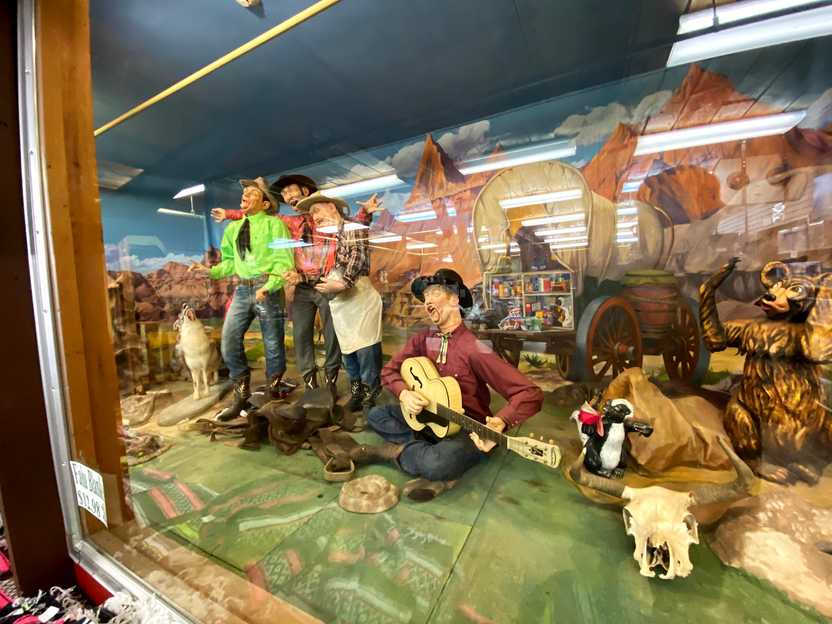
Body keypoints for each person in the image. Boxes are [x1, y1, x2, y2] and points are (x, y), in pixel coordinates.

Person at [356, 269, 544, 501]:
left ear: (454, 299)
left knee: (438, 463)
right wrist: (404, 393)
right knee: (376, 415)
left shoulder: (474, 348)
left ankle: (396, 451)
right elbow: (389, 371)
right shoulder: (423, 338)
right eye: (425, 297)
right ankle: (420, 449)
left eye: (435, 293)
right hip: (427, 417)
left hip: (465, 430)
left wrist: (501, 422)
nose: (428, 302)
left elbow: (530, 393)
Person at [211, 175, 382, 403]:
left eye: (292, 191)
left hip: (328, 284)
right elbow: (259, 215)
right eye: (284, 194)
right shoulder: (289, 223)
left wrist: (367, 213)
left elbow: (350, 227)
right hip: (301, 284)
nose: (288, 196)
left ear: (305, 190)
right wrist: (230, 214)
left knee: (333, 336)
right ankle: (311, 383)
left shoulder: (328, 219)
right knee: (301, 335)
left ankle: (332, 381)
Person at [190, 177, 294, 420]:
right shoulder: (233, 229)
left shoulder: (274, 225)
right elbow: (229, 263)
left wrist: (269, 286)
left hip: (266, 287)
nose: (245, 195)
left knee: (272, 343)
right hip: (243, 290)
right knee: (228, 341)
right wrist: (209, 270)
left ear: (266, 204)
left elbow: (284, 261)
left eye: (252, 193)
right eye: (244, 192)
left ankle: (272, 394)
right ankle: (241, 395)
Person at [295, 191, 383, 416]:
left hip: (359, 299)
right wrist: (302, 278)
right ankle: (356, 393)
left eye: (316, 210)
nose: (314, 217)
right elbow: (321, 271)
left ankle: (369, 396)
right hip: (341, 304)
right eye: (311, 213)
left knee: (366, 352)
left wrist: (342, 283)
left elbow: (357, 256)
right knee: (348, 352)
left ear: (332, 207)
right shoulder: (329, 238)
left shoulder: (351, 229)